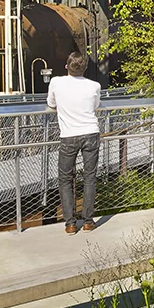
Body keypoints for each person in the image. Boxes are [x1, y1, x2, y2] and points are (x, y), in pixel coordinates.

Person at [46, 51, 101, 234]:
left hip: (68, 135)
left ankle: (70, 223)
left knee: (65, 179)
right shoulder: (94, 86)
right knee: (89, 178)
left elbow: (51, 103)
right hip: (91, 133)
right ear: (85, 69)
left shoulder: (56, 82)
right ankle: (88, 221)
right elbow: (95, 107)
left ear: (66, 67)